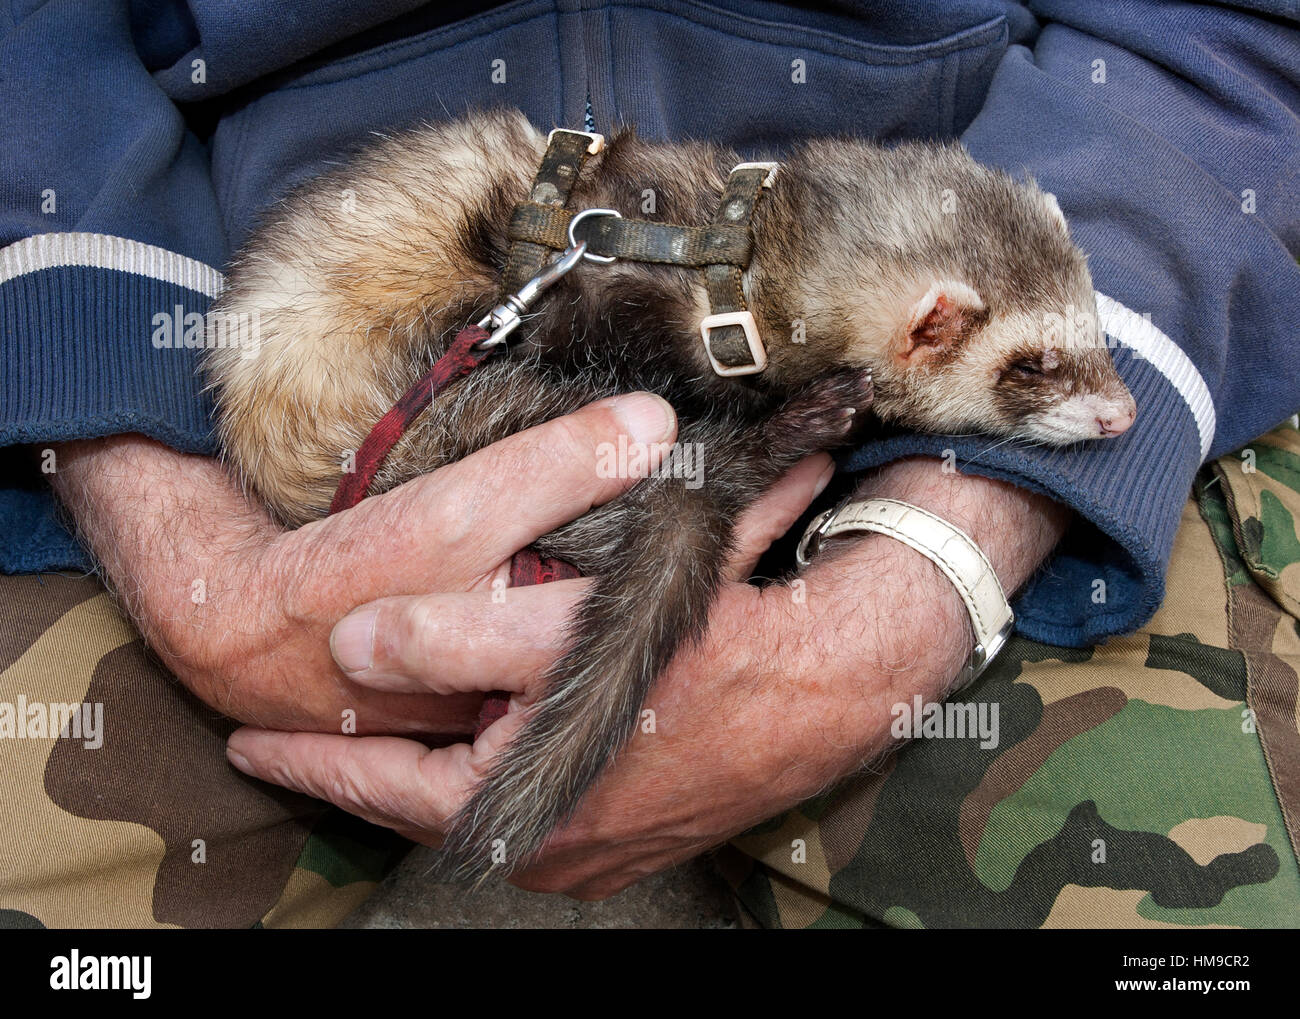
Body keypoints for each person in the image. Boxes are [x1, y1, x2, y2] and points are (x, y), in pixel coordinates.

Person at [1, 1, 1296, 927]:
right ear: (931, 333)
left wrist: (938, 569)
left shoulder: (927, 307)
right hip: (224, 364)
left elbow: (1236, 39)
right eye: (1043, 376)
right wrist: (177, 544)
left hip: (919, 310)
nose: (1099, 410)